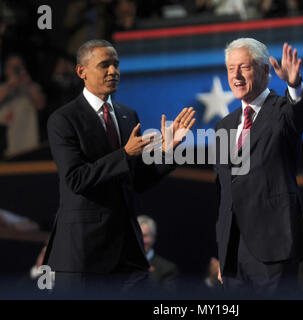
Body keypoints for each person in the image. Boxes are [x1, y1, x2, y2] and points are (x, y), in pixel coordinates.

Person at [43, 39, 196, 297]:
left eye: (116, 65)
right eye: (104, 65)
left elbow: (137, 180)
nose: (113, 71)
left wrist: (168, 151)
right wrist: (124, 154)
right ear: (81, 71)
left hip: (128, 251)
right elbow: (76, 179)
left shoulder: (128, 115)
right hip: (84, 254)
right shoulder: (63, 120)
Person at [214, 38, 303, 297]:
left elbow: (300, 114)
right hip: (234, 251)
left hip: (274, 245)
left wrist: (295, 85)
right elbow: (225, 192)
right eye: (230, 68)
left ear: (265, 71)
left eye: (244, 67)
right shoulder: (223, 126)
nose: (235, 76)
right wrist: (224, 252)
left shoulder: (282, 111)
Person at [0, 54, 46, 157]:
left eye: (18, 66)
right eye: (12, 66)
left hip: (29, 149)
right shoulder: (2, 88)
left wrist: (27, 83)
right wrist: (9, 85)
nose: (15, 70)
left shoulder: (31, 87)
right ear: (5, 69)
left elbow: (40, 105)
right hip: (6, 151)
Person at [137, 215, 178, 289]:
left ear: (153, 237)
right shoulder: (121, 266)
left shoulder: (167, 269)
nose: (141, 241)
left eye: (144, 236)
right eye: (137, 236)